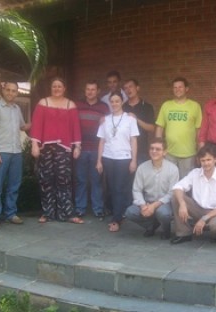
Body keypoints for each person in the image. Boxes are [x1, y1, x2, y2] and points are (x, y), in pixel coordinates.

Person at [30, 77, 83, 224]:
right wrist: (34, 144)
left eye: (60, 86)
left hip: (64, 149)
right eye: (54, 86)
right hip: (45, 148)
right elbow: (36, 126)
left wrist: (77, 146)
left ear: (64, 88)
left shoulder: (70, 105)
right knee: (46, 180)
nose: (57, 89)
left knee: (64, 181)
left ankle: (66, 213)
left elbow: (75, 127)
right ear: (51, 88)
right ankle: (47, 213)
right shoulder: (43, 103)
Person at [0, 82, 31, 227]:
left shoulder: (17, 109)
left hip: (16, 152)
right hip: (1, 152)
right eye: (8, 90)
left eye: (14, 91)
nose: (11, 93)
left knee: (14, 185)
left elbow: (23, 127)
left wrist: (39, 120)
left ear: (17, 93)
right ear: (3, 90)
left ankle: (11, 213)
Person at [96, 90, 139, 232]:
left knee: (119, 188)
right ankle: (118, 213)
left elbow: (133, 140)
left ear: (122, 102)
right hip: (108, 158)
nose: (114, 104)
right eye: (112, 101)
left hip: (124, 158)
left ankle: (116, 219)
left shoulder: (130, 119)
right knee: (110, 188)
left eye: (117, 101)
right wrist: (99, 161)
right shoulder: (105, 120)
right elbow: (102, 141)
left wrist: (134, 160)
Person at [171, 145, 216, 244]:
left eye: (209, 160)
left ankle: (215, 235)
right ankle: (184, 233)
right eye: (203, 160)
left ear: (215, 160)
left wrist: (204, 219)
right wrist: (182, 204)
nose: (206, 163)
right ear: (199, 161)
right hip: (197, 208)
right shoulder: (195, 173)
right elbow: (178, 187)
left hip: (214, 212)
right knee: (176, 197)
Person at [125, 138, 179, 239]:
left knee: (163, 213)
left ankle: (165, 230)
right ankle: (151, 225)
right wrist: (142, 206)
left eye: (158, 149)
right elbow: (136, 189)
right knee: (130, 212)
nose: (154, 151)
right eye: (152, 148)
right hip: (146, 202)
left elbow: (171, 193)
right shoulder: (142, 167)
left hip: (164, 203)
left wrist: (154, 206)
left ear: (165, 152)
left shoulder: (173, 169)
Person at [73, 81, 109, 220]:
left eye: (93, 89)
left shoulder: (104, 107)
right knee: (80, 180)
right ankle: (80, 209)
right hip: (80, 148)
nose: (90, 92)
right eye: (88, 89)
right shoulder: (78, 105)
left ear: (98, 91)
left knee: (96, 180)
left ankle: (98, 209)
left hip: (96, 149)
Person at [155, 77, 202, 178]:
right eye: (175, 87)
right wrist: (159, 148)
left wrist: (200, 151)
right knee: (169, 182)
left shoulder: (195, 106)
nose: (177, 89)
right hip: (169, 153)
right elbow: (159, 128)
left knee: (186, 184)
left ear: (187, 89)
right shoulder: (166, 105)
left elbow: (199, 131)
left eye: (180, 87)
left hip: (188, 154)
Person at [123, 78, 155, 164]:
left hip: (142, 150)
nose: (128, 90)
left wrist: (136, 120)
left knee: (141, 176)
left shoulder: (147, 107)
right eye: (125, 88)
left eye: (130, 87)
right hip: (125, 151)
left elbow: (152, 128)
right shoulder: (122, 107)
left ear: (137, 88)